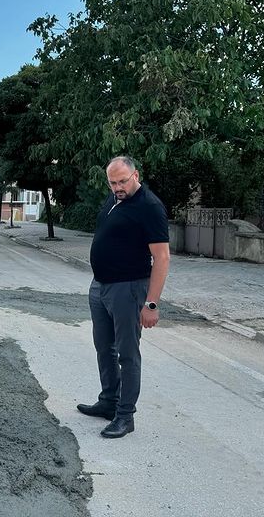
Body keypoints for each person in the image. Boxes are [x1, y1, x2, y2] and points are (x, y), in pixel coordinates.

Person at [78, 156, 170, 438]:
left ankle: (125, 416)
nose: (117, 187)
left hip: (128, 289)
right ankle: (109, 402)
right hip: (101, 286)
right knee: (104, 347)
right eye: (112, 182)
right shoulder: (114, 199)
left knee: (127, 354)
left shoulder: (149, 206)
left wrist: (151, 304)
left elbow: (162, 258)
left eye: (122, 181)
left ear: (136, 175)